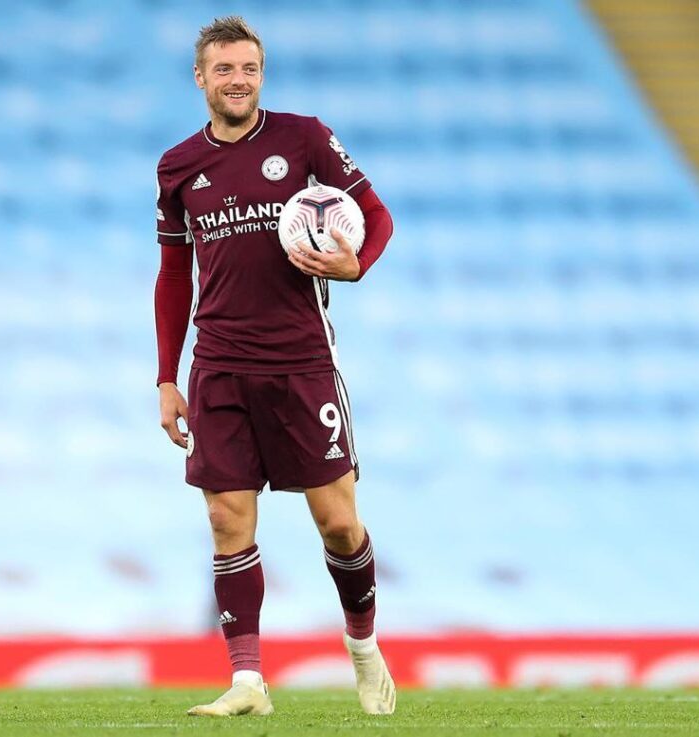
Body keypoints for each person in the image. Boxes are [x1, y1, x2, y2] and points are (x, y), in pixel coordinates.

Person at [154, 16, 396, 717]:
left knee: (339, 524)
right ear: (201, 78)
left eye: (250, 68)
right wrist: (168, 376)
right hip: (220, 365)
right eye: (224, 69)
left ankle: (362, 643)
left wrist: (356, 264)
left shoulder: (304, 138)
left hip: (301, 363)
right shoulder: (178, 166)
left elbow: (376, 215)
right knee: (228, 518)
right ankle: (249, 681)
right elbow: (174, 275)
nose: (239, 80)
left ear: (263, 74)